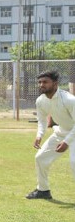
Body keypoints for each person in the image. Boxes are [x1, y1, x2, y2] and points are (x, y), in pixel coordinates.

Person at [27, 70, 75, 199]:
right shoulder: (40, 100)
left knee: (74, 162)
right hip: (61, 132)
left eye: (45, 82)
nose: (42, 85)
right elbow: (42, 121)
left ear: (55, 83)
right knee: (40, 158)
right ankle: (43, 191)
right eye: (40, 82)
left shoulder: (69, 99)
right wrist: (39, 135)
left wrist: (67, 142)